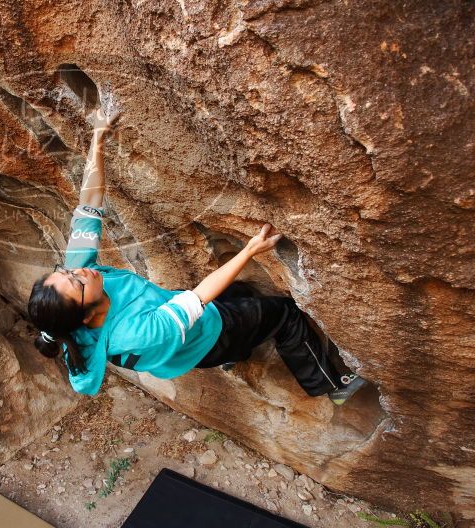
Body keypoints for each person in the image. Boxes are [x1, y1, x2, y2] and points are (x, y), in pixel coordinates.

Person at [27, 109, 367, 405]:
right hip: (209, 336)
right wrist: (249, 250)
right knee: (284, 314)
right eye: (76, 282)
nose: (79, 273)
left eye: (67, 272)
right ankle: (330, 385)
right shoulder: (132, 333)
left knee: (242, 293)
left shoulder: (78, 288)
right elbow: (199, 297)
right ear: (85, 316)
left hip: (183, 341)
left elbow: (89, 204)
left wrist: (98, 138)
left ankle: (236, 354)